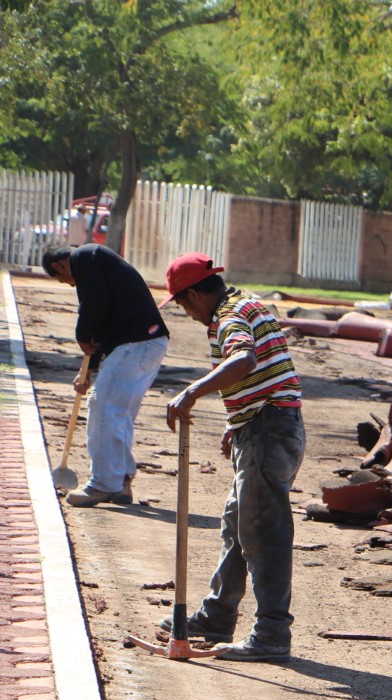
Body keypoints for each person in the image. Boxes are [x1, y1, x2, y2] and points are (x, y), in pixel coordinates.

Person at [161, 253, 305, 662]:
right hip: (269, 424)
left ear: (194, 294)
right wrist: (238, 419)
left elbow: (244, 360)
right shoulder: (246, 302)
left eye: (184, 304)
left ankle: (272, 635)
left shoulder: (227, 317)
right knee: (237, 524)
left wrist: (192, 392)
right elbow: (272, 373)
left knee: (263, 537)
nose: (186, 313)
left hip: (268, 432)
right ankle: (216, 616)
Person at [41, 244, 170, 507]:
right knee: (117, 412)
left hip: (136, 344)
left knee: (103, 407)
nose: (70, 284)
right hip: (147, 343)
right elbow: (102, 318)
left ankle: (103, 484)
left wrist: (81, 336)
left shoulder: (84, 256)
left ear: (58, 267)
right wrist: (87, 369)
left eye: (64, 280)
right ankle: (121, 481)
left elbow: (94, 304)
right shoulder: (98, 264)